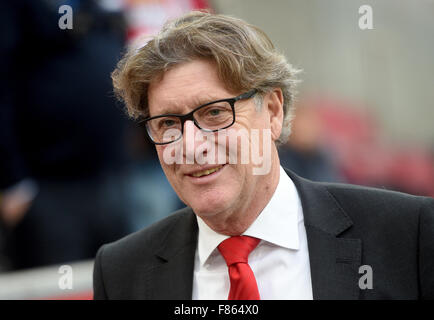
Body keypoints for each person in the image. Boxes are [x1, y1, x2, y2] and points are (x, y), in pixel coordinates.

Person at [93, 11, 434, 300]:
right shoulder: (122, 272)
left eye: (214, 113)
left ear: (272, 111)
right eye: (168, 123)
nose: (191, 146)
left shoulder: (407, 234)